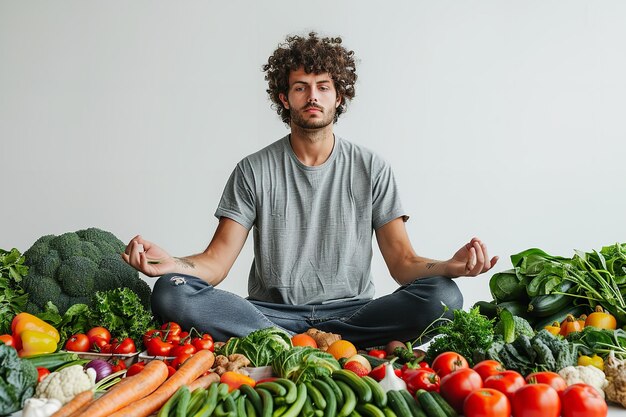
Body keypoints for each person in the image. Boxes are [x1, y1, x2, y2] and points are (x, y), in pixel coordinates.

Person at [122, 32, 498, 348]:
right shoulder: (253, 170)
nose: (312, 97)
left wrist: (450, 267)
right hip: (268, 314)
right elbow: (216, 263)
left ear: (339, 96)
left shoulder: (371, 168)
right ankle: (291, 339)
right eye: (301, 88)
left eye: (323, 87)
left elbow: (402, 264)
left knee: (444, 296)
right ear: (285, 99)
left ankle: (316, 340)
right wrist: (175, 264)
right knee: (171, 290)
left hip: (354, 312)